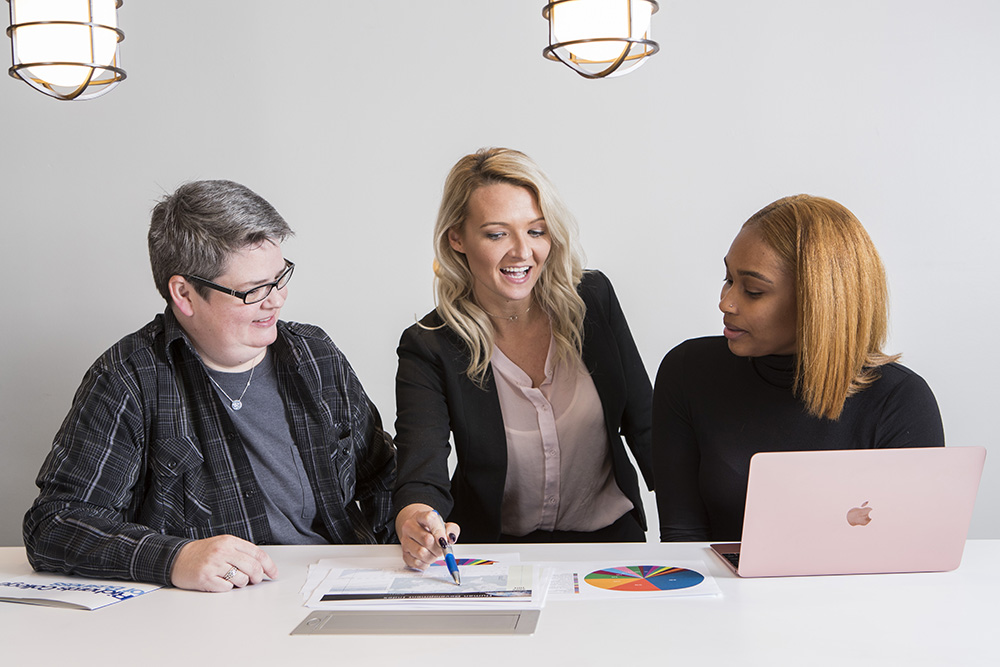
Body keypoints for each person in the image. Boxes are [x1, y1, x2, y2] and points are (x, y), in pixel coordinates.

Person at [23, 180, 396, 591]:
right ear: (184, 294)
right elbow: (55, 524)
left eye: (280, 277)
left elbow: (384, 476)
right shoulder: (129, 378)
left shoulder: (314, 356)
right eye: (253, 290)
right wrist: (174, 558)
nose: (276, 300)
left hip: (336, 589)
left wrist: (408, 534)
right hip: (214, 611)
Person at [393, 147, 654, 570]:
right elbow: (422, 468)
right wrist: (416, 520)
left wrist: (694, 535)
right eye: (497, 234)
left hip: (612, 549)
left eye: (536, 231)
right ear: (456, 237)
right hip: (495, 556)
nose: (522, 252)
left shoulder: (594, 301)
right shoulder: (430, 345)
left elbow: (646, 425)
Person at [652, 194, 945, 542]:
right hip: (722, 594)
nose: (725, 302)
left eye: (754, 290)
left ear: (818, 302)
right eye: (728, 278)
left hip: (857, 595)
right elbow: (682, 540)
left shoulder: (900, 401)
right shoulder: (688, 372)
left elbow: (915, 552)